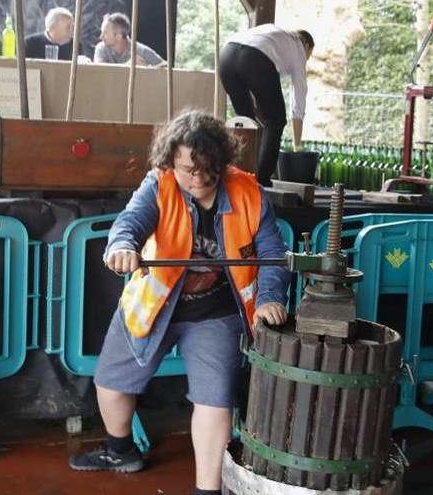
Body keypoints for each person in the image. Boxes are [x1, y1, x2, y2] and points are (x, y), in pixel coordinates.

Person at [67, 110, 291, 495]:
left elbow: (271, 253)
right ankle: (120, 449)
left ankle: (208, 490)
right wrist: (122, 246)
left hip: (217, 311)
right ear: (171, 160)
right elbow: (130, 223)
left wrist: (270, 298)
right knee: (110, 380)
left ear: (222, 161)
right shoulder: (158, 184)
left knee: (215, 399)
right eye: (189, 169)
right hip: (155, 301)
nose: (199, 179)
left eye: (209, 169)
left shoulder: (250, 192)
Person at [219, 24, 314, 187]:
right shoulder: (298, 46)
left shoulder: (275, 33)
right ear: (307, 45)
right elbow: (299, 96)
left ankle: (239, 173)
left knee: (248, 122)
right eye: (309, 55)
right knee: (275, 120)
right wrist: (297, 144)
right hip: (255, 57)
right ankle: (261, 181)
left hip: (226, 54)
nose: (306, 60)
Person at [94, 12, 165, 66]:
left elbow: (165, 66)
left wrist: (148, 69)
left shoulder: (141, 51)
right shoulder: (101, 49)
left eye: (105, 33)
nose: (101, 37)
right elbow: (100, 72)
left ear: (119, 36)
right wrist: (128, 65)